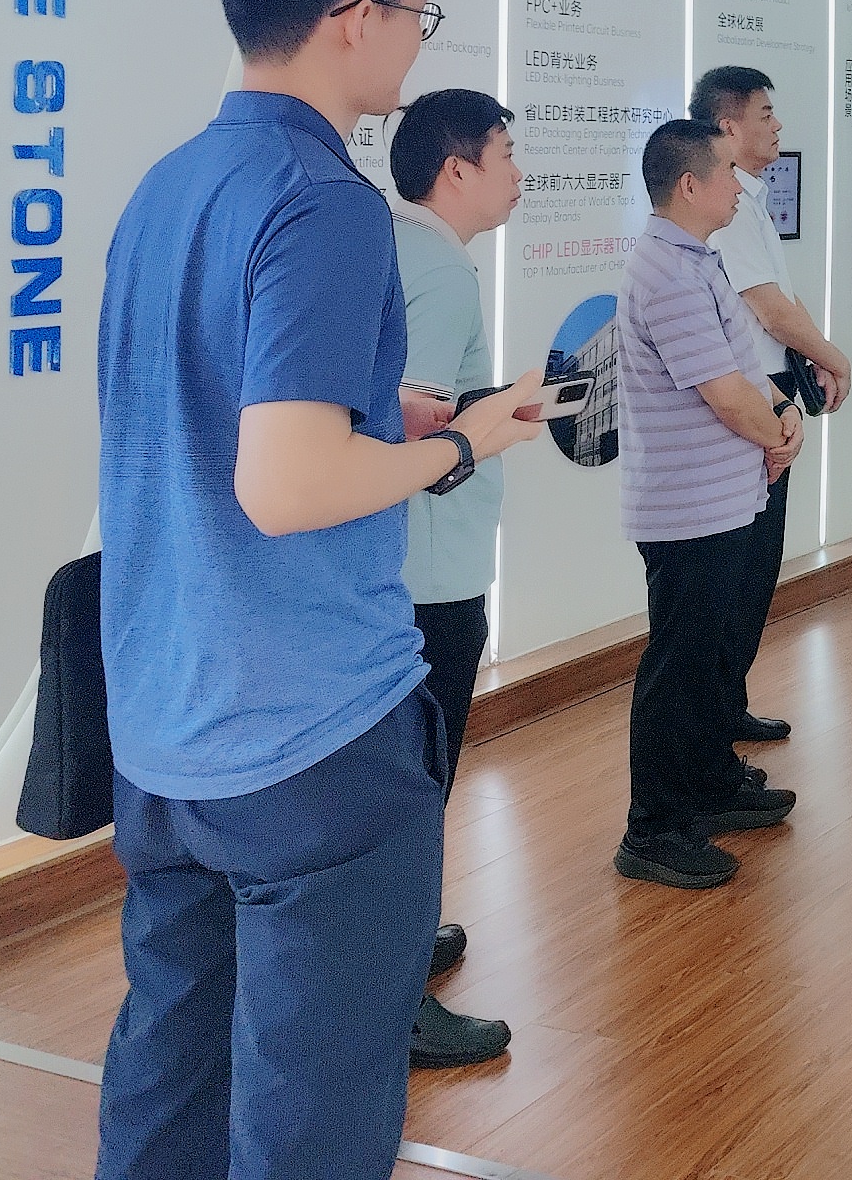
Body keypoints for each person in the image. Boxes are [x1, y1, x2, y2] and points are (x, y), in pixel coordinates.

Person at [93, 0, 545, 1180]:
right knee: (314, 1111)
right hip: (309, 733)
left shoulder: (168, 186)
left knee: (172, 1072)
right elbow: (284, 486)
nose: (418, 38)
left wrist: (380, 413)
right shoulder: (324, 200)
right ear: (355, 17)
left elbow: (204, 412)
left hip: (163, 726)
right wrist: (456, 442)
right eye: (418, 11)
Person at [614, 119, 807, 890]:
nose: (740, 184)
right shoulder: (665, 270)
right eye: (727, 171)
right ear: (690, 185)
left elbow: (744, 372)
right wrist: (774, 434)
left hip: (723, 499)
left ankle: (707, 785)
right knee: (680, 663)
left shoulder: (698, 260)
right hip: (687, 508)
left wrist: (782, 415)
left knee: (706, 659)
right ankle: (654, 828)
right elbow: (725, 395)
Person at [383, 88, 523, 1068]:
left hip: (407, 569)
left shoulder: (403, 250)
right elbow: (415, 431)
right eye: (506, 155)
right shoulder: (437, 269)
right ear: (456, 168)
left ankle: (396, 941)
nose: (519, 176)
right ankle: (393, 996)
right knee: (417, 790)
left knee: (407, 785)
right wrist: (491, 421)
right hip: (430, 576)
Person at [692, 65, 852, 745]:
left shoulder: (748, 201)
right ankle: (712, 720)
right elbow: (766, 307)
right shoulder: (724, 208)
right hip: (747, 395)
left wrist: (814, 351)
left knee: (757, 566)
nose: (778, 125)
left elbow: (783, 300)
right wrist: (834, 357)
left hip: (770, 389)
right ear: (728, 127)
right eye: (765, 114)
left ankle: (725, 707)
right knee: (740, 568)